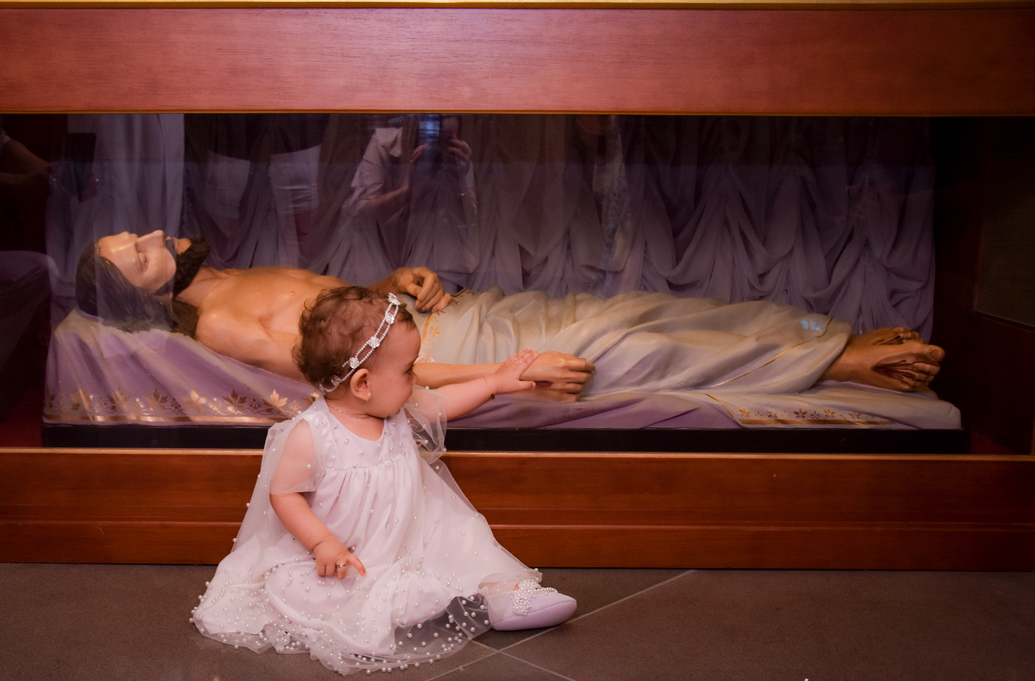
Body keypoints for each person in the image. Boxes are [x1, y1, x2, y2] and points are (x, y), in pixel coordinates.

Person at [191, 287, 578, 674]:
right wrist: (322, 542)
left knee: (463, 539)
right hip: (346, 550)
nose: (415, 378)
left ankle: (503, 594)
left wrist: (494, 382)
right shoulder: (312, 434)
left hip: (412, 527)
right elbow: (285, 494)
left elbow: (444, 402)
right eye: (408, 370)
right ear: (363, 384)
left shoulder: (396, 407)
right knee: (308, 587)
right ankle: (403, 599)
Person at [77, 230, 945, 397]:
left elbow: (339, 311)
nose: (154, 235)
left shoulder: (238, 274)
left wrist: (394, 279)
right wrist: (501, 376)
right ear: (143, 292)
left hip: (450, 312)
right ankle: (831, 365)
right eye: (140, 253)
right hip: (445, 343)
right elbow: (355, 375)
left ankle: (816, 336)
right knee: (624, 342)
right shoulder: (220, 326)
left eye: (140, 233)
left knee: (634, 304)